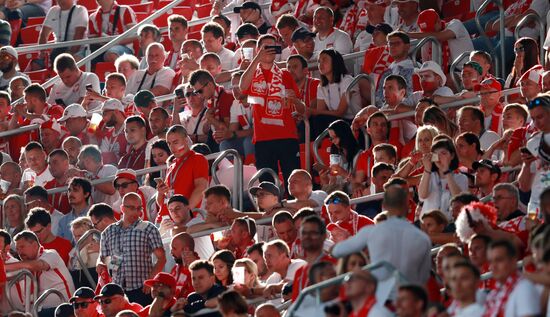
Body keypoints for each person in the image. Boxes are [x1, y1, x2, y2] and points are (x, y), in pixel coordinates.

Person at [332, 185, 432, 285]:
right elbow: (424, 277)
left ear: (384, 205)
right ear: (407, 205)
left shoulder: (371, 232)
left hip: (382, 295)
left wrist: (345, 238)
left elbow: (337, 251)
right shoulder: (422, 238)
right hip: (411, 295)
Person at [239, 34, 301, 188]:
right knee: (267, 185)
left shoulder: (285, 74)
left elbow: (302, 109)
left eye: (272, 47)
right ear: (258, 49)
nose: (268, 50)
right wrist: (257, 58)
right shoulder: (253, 74)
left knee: (293, 182)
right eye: (265, 47)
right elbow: (242, 87)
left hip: (287, 135)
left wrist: (295, 101)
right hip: (263, 138)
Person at [97, 193, 166, 306]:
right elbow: (105, 260)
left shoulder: (148, 228)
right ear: (122, 208)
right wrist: (106, 263)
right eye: (132, 208)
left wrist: (150, 281)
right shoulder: (109, 231)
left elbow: (162, 258)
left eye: (139, 208)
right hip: (118, 291)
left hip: (142, 289)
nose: (136, 212)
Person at [6, 231, 75, 313]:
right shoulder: (26, 264)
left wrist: (3, 266)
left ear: (35, 245)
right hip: (39, 310)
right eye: (17, 249)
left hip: (64, 308)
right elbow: (9, 276)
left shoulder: (51, 254)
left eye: (22, 247)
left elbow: (39, 265)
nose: (19, 252)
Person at [156, 125, 209, 215]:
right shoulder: (171, 165)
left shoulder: (197, 159)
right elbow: (160, 203)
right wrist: (160, 192)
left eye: (175, 142)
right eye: (169, 143)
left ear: (186, 140)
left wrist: (186, 212)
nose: (172, 147)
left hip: (182, 219)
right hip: (164, 218)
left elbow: (201, 188)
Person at [484, 240, 541, 316]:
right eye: (491, 261)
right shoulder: (494, 294)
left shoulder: (524, 288)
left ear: (513, 261)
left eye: (499, 260)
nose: (493, 266)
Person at [418, 137, 468, 218]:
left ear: (452, 156)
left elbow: (460, 199)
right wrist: (427, 170)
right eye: (435, 154)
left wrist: (446, 170)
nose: (439, 157)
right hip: (427, 224)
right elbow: (422, 196)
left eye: (443, 153)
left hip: (449, 224)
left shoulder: (461, 178)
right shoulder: (430, 175)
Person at [409, 9, 473, 71]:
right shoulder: (427, 38)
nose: (428, 33)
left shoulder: (455, 24)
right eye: (426, 31)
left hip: (463, 69)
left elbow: (441, 36)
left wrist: (409, 34)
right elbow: (426, 63)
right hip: (441, 71)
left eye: (431, 30)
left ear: (438, 21)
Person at [290, 215, 335, 301]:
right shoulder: (299, 272)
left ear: (324, 236)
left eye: (313, 233)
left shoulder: (333, 265)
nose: (307, 236)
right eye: (304, 233)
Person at [518, 94, 550, 215]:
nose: (536, 122)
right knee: (533, 233)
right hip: (535, 210)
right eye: (533, 118)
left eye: (540, 117)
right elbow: (524, 187)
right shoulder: (532, 143)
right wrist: (527, 165)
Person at [59, 177, 92, 242]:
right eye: (69, 190)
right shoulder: (63, 221)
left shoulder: (94, 216)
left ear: (86, 194)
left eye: (75, 190)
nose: (70, 194)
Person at [169, 232, 199, 299]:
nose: (171, 252)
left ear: (186, 249)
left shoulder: (200, 268)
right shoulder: (175, 268)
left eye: (174, 248)